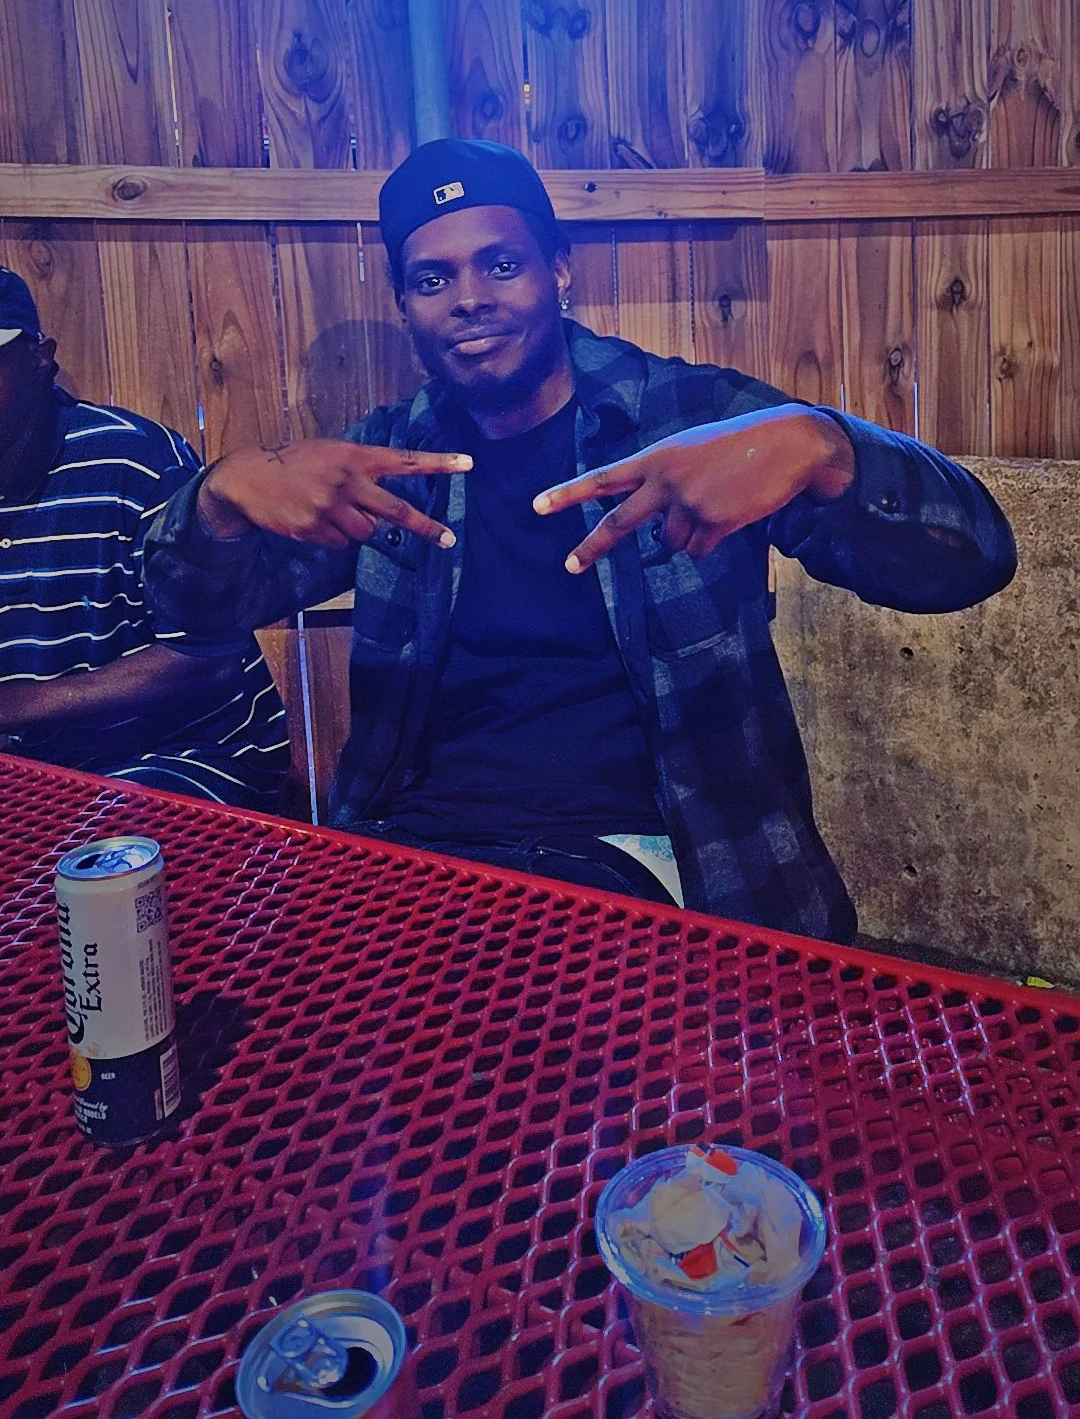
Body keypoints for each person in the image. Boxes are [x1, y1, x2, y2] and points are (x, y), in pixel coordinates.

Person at [143, 140, 1016, 938]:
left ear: (559, 270)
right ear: (405, 304)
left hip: (663, 864)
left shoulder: (689, 420)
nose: (471, 299)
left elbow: (974, 557)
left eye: (502, 264)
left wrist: (829, 450)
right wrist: (216, 500)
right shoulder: (390, 461)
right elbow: (194, 621)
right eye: (433, 280)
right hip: (413, 860)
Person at [0, 268, 290, 808]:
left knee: (78, 871)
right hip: (35, 780)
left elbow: (207, 659)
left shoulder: (137, 461)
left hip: (185, 759)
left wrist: (16, 705)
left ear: (41, 357)